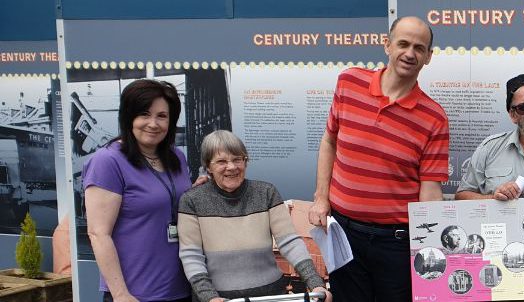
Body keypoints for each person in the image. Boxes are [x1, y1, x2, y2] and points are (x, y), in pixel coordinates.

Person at [307, 16, 450, 301]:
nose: (410, 53)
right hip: (343, 233)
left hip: (396, 243)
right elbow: (329, 140)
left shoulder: (434, 118)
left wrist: (433, 250)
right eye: (403, 44)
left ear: (429, 57)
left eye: (419, 48)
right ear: (387, 45)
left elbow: (430, 191)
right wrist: (321, 197)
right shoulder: (349, 82)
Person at [177, 130, 331, 302]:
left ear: (245, 161)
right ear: (208, 167)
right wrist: (209, 297)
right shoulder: (192, 201)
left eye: (237, 159)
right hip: (219, 298)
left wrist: (315, 283)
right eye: (221, 161)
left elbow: (290, 243)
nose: (232, 167)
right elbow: (191, 256)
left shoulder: (266, 193)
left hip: (270, 295)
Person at [82, 79, 193, 302]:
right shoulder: (109, 161)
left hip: (180, 290)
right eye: (144, 114)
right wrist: (121, 294)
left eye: (162, 116)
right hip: (135, 294)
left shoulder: (176, 157)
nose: (153, 123)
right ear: (128, 117)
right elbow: (98, 233)